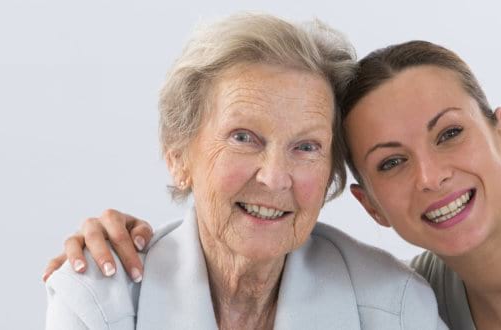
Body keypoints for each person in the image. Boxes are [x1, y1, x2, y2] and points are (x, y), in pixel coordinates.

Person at [49, 40, 501, 329]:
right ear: (369, 203)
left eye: (450, 132)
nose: (430, 175)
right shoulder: (417, 295)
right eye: (390, 163)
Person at [41, 13, 446, 330]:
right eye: (243, 137)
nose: (273, 176)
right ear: (179, 155)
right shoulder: (97, 300)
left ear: (329, 177)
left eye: (306, 147)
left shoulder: (395, 306)